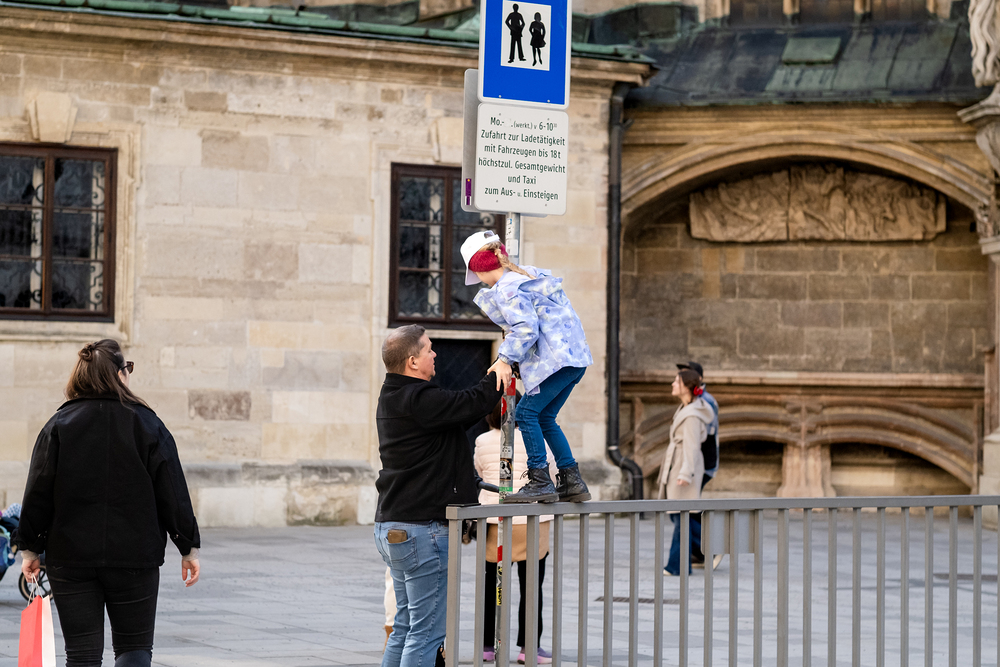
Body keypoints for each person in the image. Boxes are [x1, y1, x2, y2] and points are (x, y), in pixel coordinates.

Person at [15, 339, 201, 667]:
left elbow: (38, 491)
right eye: (128, 368)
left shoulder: (59, 425)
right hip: (135, 556)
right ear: (118, 374)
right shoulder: (148, 424)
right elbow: (172, 490)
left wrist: (30, 548)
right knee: (134, 649)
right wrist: (188, 547)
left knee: (82, 655)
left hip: (70, 556)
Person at [374, 325, 503, 667]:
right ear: (413, 361)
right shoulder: (419, 398)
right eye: (429, 349)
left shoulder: (393, 395)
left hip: (394, 524)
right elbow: (473, 402)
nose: (435, 354)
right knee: (427, 632)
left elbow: (457, 413)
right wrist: (501, 368)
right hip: (422, 530)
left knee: (404, 627)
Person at [460, 230, 593, 504]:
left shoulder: (507, 289)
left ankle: (540, 481)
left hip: (556, 363)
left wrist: (504, 359)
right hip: (573, 359)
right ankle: (572, 481)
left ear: (478, 270)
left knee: (526, 413)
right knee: (545, 417)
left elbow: (526, 328)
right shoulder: (526, 276)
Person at [474, 400, 556, 665]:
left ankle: (487, 646)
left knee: (491, 585)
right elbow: (551, 472)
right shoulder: (537, 437)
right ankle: (528, 647)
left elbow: (480, 472)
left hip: (495, 519)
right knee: (531, 587)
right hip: (531, 519)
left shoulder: (482, 440)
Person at [658, 369, 714, 576]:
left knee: (681, 516)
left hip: (684, 466)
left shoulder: (692, 415)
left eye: (677, 381)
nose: (673, 384)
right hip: (679, 464)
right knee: (681, 517)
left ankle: (677, 565)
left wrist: (685, 473)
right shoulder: (687, 408)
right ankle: (708, 548)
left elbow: (692, 446)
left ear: (687, 386)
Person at [675, 361, 721, 569]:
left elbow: (701, 439)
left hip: (699, 464)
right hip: (692, 463)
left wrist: (689, 469)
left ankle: (710, 548)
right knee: (684, 511)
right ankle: (701, 552)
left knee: (685, 511)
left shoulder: (704, 402)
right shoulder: (692, 402)